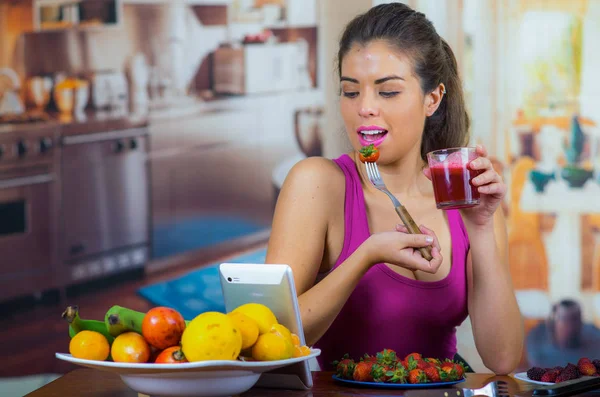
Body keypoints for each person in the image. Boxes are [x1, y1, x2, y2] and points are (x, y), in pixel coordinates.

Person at [265, 3, 523, 375]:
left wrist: (481, 227)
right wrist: (366, 255)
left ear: (432, 99)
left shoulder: (464, 196)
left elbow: (502, 358)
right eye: (351, 92)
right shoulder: (316, 183)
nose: (364, 108)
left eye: (387, 92)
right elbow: (272, 335)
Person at [527, 299, 600, 368]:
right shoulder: (536, 338)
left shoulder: (595, 337)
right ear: (553, 323)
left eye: (575, 319)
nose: (571, 325)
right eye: (565, 319)